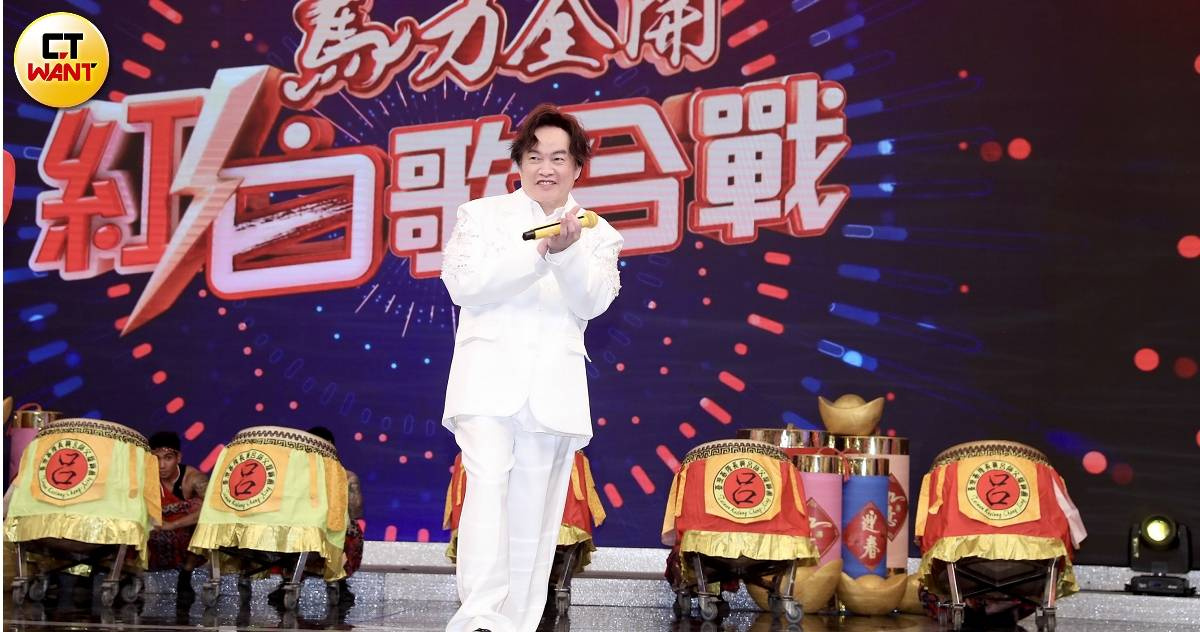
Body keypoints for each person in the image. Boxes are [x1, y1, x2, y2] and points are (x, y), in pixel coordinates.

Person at [439, 103, 623, 632]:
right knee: (487, 488)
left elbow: (592, 302)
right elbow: (465, 286)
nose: (547, 167)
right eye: (536, 156)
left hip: (553, 389)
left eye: (559, 158)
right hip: (486, 381)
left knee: (535, 513)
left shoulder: (599, 233)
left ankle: (515, 622)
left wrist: (566, 254)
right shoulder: (481, 216)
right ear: (518, 162)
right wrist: (540, 253)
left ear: (577, 168)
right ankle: (478, 617)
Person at [147, 431, 208, 603]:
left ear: (178, 458)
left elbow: (213, 509)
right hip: (153, 534)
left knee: (201, 506)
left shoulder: (193, 478)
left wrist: (172, 525)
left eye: (168, 458)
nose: (161, 465)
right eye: (156, 459)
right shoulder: (146, 477)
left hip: (184, 539)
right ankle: (126, 573)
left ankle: (186, 574)